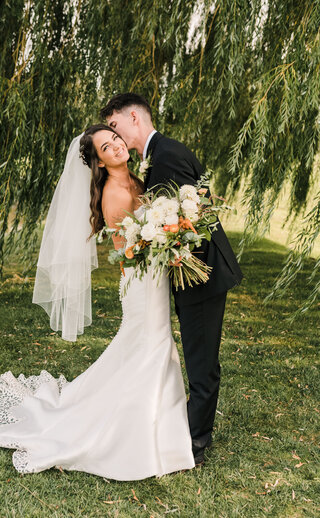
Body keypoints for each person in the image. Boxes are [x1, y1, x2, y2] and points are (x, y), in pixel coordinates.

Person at [0, 124, 196, 480]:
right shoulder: (115, 193)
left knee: (147, 346)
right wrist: (166, 240)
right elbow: (127, 250)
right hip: (142, 281)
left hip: (154, 277)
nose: (117, 146)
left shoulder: (137, 177)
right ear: (99, 162)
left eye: (116, 139)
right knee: (149, 346)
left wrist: (171, 231)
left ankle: (160, 423)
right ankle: (136, 433)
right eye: (107, 147)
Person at [100, 93, 243, 465]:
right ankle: (185, 429)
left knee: (201, 362)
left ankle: (195, 442)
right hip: (188, 272)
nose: (115, 138)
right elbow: (197, 203)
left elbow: (190, 218)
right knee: (197, 356)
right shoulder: (162, 153)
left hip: (200, 275)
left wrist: (170, 245)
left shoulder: (164, 158)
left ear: (133, 117)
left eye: (115, 127)